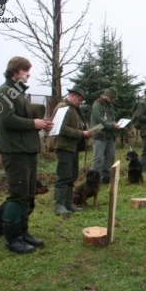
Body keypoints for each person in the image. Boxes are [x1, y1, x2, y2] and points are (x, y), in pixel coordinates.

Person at [0, 56, 53, 253]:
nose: (29, 74)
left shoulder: (18, 94)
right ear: (15, 71)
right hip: (15, 152)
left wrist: (40, 123)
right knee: (17, 195)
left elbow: (23, 119)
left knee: (28, 195)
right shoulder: (4, 92)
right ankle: (12, 238)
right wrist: (33, 123)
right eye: (25, 70)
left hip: (27, 150)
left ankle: (22, 233)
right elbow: (7, 120)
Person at [52, 85, 91, 215]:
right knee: (64, 176)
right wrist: (81, 133)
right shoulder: (63, 108)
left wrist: (85, 133)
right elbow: (62, 128)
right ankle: (59, 205)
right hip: (64, 147)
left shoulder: (74, 109)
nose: (80, 102)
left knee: (72, 176)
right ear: (72, 95)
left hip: (72, 147)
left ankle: (68, 203)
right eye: (79, 99)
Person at [90, 88, 120, 183]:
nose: (112, 100)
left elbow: (112, 118)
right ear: (106, 95)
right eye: (111, 98)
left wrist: (115, 124)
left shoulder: (110, 106)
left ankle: (106, 178)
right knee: (98, 158)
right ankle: (93, 179)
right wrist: (111, 125)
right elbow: (99, 119)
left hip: (109, 135)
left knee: (110, 157)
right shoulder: (97, 105)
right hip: (99, 134)